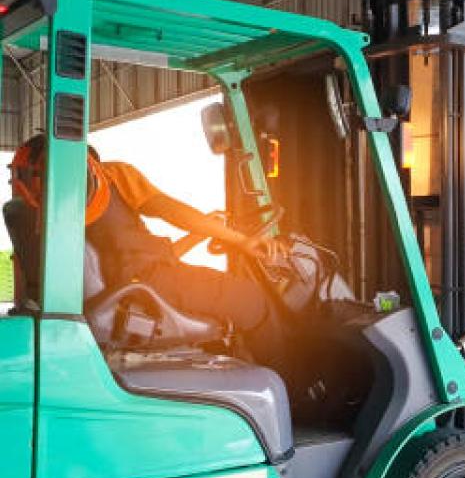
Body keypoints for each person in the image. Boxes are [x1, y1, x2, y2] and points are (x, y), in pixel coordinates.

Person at [6, 134, 292, 379]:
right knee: (254, 302)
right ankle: (291, 391)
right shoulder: (112, 176)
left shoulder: (38, 213)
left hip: (132, 290)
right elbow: (170, 210)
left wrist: (202, 234)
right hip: (151, 285)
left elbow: (140, 262)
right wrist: (242, 240)